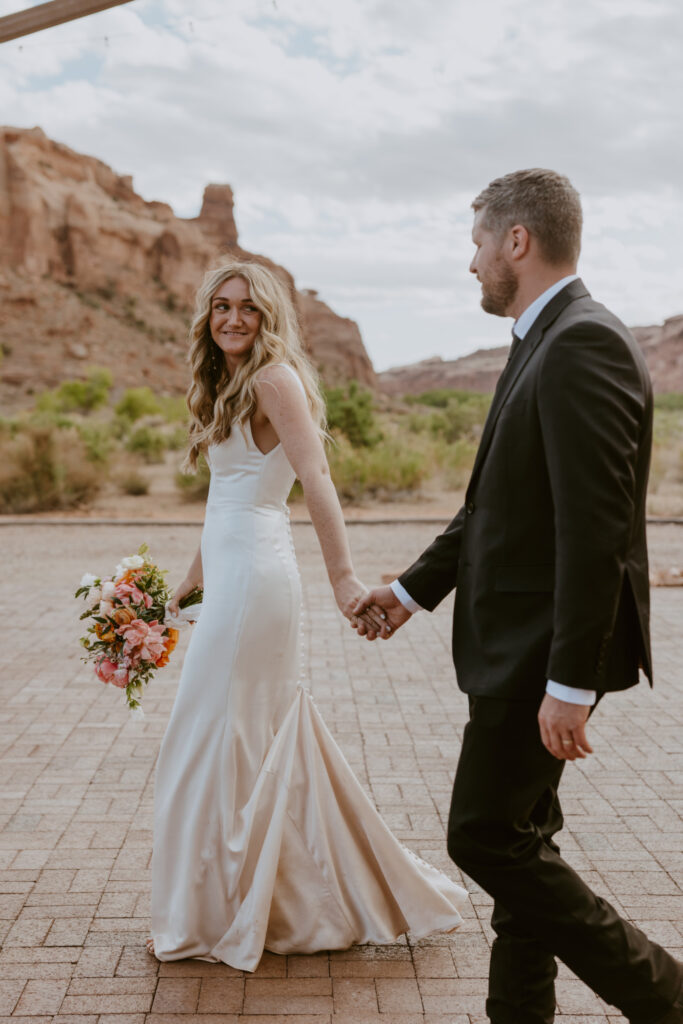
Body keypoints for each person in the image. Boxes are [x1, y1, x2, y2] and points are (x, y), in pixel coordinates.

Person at [353, 169, 683, 1023]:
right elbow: (490, 510)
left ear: (516, 241)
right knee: (523, 839)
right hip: (516, 642)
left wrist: (569, 681)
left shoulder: (583, 342)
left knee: (483, 838)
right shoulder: (538, 339)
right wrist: (408, 591)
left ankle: (664, 994)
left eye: (475, 244)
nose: (470, 264)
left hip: (540, 651)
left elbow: (595, 527)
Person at [146, 259, 467, 971]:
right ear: (207, 316)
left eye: (248, 308)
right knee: (228, 741)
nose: (233, 319)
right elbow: (222, 499)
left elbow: (314, 479)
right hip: (227, 578)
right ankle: (243, 903)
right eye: (222, 306)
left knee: (209, 740)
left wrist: (344, 578)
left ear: (269, 317)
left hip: (258, 582)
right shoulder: (223, 383)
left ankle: (223, 912)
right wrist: (187, 585)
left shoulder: (273, 378)